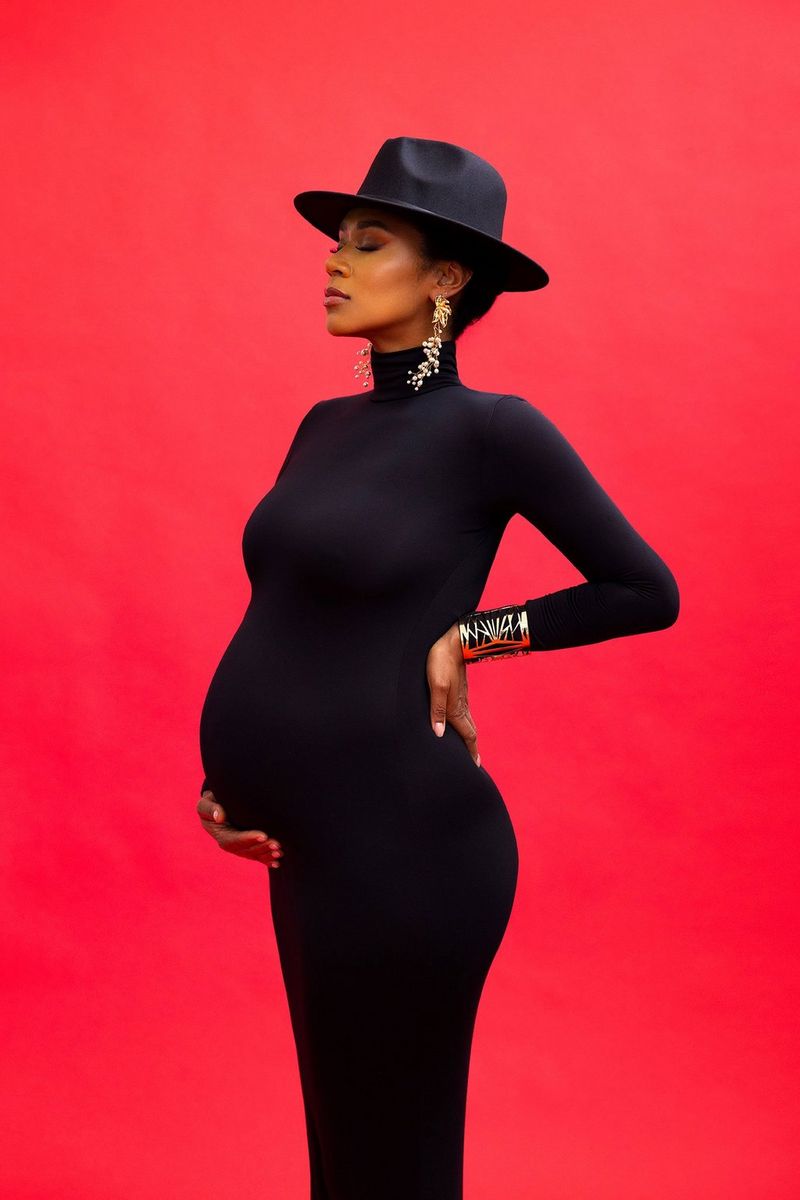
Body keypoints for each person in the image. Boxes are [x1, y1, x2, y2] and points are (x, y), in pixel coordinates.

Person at [195, 137, 679, 1199]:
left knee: (396, 1154)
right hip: (308, 851)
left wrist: (472, 637)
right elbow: (289, 616)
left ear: (447, 278)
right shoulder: (321, 427)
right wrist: (224, 776)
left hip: (411, 850)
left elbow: (644, 591)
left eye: (369, 243)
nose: (332, 261)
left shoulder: (493, 433)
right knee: (341, 1150)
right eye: (336, 242)